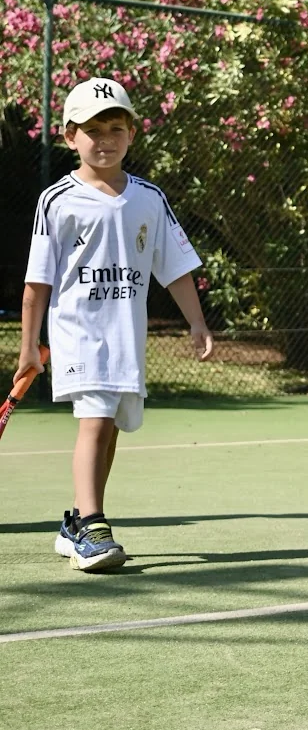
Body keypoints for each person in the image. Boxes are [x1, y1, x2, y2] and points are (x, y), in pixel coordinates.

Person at [20, 77, 213, 572]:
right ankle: (93, 525)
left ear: (132, 133)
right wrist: (28, 347)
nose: (104, 139)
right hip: (78, 333)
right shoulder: (56, 200)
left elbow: (175, 267)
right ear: (70, 136)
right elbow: (37, 282)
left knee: (110, 430)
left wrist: (197, 322)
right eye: (92, 130)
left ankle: (76, 524)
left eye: (115, 128)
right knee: (95, 421)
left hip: (126, 336)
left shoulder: (149, 198)